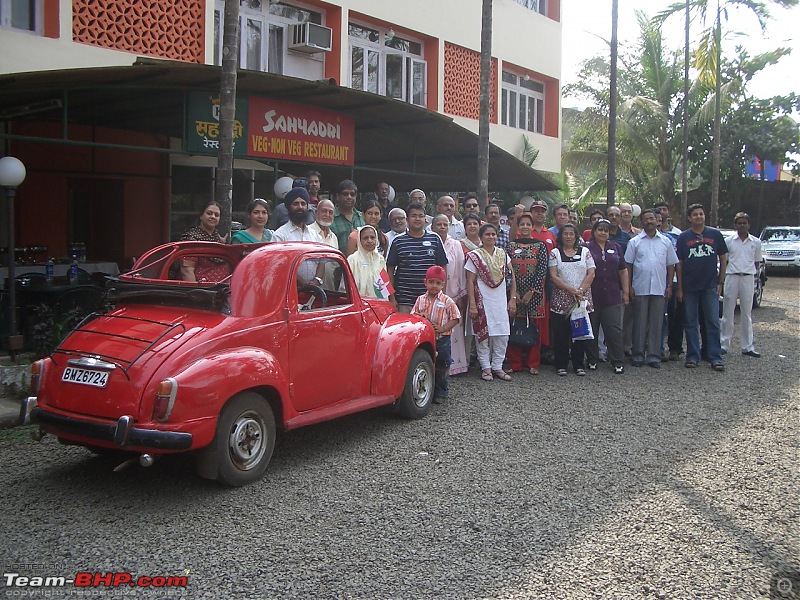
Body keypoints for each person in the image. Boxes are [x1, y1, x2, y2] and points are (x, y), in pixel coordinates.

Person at [676, 203, 728, 371]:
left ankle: (715, 356)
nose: (699, 217)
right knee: (690, 322)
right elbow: (680, 263)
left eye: (701, 214)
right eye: (695, 215)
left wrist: (720, 282)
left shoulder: (715, 234)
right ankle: (693, 355)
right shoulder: (683, 237)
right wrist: (680, 288)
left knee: (713, 321)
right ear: (689, 218)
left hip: (710, 286)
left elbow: (723, 259)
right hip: (690, 287)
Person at [624, 210, 678, 368]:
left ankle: (654, 355)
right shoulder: (635, 242)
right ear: (641, 222)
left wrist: (669, 286)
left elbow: (671, 265)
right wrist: (629, 287)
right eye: (645, 219)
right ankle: (638, 354)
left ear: (657, 220)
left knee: (657, 322)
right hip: (640, 287)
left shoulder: (666, 241)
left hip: (660, 288)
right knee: (639, 323)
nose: (649, 221)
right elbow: (628, 265)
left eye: (651, 218)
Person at [465, 223, 517, 381]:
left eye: (493, 234)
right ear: (481, 237)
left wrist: (513, 299)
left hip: (500, 299)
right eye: (487, 234)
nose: (491, 237)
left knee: (502, 334)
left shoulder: (503, 254)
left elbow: (512, 277)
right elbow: (470, 281)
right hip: (482, 298)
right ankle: (486, 367)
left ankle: (497, 366)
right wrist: (473, 304)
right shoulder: (475, 256)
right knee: (483, 335)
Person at [548, 223, 595, 376]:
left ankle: (578, 364)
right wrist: (570, 290)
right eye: (565, 234)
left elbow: (591, 273)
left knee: (579, 333)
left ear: (576, 236)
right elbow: (553, 275)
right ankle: (561, 364)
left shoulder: (585, 252)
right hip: (561, 301)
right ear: (561, 236)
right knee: (561, 334)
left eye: (571, 234)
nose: (568, 236)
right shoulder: (555, 253)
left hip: (580, 300)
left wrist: (580, 290)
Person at [506, 212, 549, 375]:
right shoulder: (510, 246)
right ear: (518, 227)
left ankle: (533, 363)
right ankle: (515, 363)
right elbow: (508, 271)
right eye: (522, 224)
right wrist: (514, 294)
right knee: (514, 325)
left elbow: (542, 270)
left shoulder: (540, 246)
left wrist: (532, 292)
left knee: (533, 327)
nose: (525, 227)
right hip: (513, 293)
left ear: (532, 227)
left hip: (535, 294)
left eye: (528, 224)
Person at [386, 202, 448, 313]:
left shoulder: (435, 239)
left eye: (421, 216)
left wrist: (442, 295)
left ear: (425, 219)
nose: (417, 219)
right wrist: (392, 297)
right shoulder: (398, 241)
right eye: (413, 216)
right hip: (404, 300)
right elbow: (390, 269)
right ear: (407, 219)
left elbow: (443, 267)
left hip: (430, 298)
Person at [412, 265, 461, 402]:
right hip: (425, 340)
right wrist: (420, 316)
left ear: (443, 284)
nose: (434, 286)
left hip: (442, 339)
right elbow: (413, 316)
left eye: (438, 283)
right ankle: (428, 390)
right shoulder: (420, 300)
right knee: (427, 364)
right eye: (431, 282)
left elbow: (456, 318)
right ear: (425, 282)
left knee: (442, 365)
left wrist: (443, 328)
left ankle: (441, 391)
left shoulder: (447, 301)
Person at [585, 219, 628, 373]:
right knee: (592, 329)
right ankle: (592, 359)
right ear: (594, 231)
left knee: (613, 330)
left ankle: (617, 360)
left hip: (612, 295)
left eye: (605, 230)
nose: (602, 233)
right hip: (592, 296)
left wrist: (626, 292)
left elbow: (623, 270)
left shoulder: (615, 247)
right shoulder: (586, 248)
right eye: (599, 230)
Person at [431, 214, 468, 376]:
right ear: (432, 227)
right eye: (439, 224)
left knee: (452, 328)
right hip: (431, 293)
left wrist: (460, 295)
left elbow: (460, 269)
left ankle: (455, 366)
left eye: (445, 224)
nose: (442, 227)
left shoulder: (456, 245)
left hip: (452, 293)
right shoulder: (430, 242)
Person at [721, 212, 762, 358]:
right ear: (735, 225)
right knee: (727, 312)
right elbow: (724, 261)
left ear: (749, 225)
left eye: (745, 223)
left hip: (748, 277)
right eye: (739, 223)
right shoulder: (729, 241)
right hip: (732, 276)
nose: (742, 225)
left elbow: (756, 262)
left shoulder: (756, 242)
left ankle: (747, 346)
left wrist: (749, 272)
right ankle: (724, 344)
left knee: (746, 313)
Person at [654, 201, 683, 361]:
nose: (661, 215)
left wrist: (675, 283)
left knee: (674, 316)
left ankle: (675, 348)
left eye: (664, 210)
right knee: (659, 317)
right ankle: (656, 348)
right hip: (655, 281)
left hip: (671, 281)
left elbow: (677, 261)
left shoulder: (677, 234)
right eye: (657, 212)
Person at [180, 200, 229, 282]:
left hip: (222, 290)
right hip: (202, 291)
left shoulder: (218, 239)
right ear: (201, 216)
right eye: (209, 213)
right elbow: (187, 271)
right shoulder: (191, 239)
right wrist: (196, 292)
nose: (213, 216)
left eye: (216, 215)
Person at [348, 225, 394, 303]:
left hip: (378, 305)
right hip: (359, 304)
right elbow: (346, 287)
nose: (369, 241)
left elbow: (384, 287)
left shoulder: (380, 259)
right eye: (365, 238)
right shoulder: (352, 260)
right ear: (359, 240)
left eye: (372, 237)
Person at [330, 180, 365, 254]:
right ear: (337, 196)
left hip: (360, 264)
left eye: (352, 194)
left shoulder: (362, 217)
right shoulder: (330, 218)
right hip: (337, 264)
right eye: (345, 194)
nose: (349, 197)